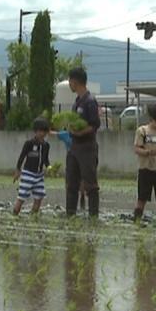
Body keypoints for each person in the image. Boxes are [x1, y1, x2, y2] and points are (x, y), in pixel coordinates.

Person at [64, 67, 102, 217]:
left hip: (87, 147)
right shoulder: (77, 102)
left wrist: (80, 132)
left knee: (90, 184)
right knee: (71, 183)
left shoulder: (90, 101)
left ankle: (93, 215)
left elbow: (94, 125)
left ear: (75, 81)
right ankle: (70, 214)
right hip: (74, 147)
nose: (69, 84)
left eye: (70, 81)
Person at [13, 118, 51, 216]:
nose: (42, 134)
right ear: (36, 131)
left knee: (39, 196)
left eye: (44, 131)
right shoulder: (29, 143)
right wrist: (18, 170)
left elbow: (46, 160)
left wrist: (50, 168)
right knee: (22, 196)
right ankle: (15, 214)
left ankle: (33, 216)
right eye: (40, 131)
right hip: (28, 173)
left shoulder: (46, 145)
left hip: (39, 175)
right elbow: (21, 157)